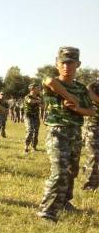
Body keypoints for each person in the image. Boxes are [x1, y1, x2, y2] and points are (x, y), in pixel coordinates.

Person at [37, 47, 95, 222]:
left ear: (78, 64)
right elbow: (49, 81)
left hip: (75, 133)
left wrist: (77, 108)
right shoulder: (52, 82)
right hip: (57, 132)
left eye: (71, 63)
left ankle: (63, 202)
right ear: (57, 64)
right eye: (63, 63)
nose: (66, 66)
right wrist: (70, 96)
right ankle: (47, 211)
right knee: (59, 172)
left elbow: (91, 111)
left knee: (71, 171)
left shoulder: (81, 88)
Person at [81, 80, 99, 191]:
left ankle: (86, 168)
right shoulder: (93, 86)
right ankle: (90, 185)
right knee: (94, 156)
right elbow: (90, 94)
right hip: (92, 126)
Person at [23, 83, 43, 153]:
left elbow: (42, 106)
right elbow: (30, 101)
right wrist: (38, 101)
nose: (39, 89)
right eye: (37, 88)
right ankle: (26, 147)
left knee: (36, 132)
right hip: (28, 116)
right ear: (32, 89)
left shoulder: (39, 97)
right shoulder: (27, 96)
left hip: (36, 116)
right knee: (30, 130)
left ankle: (34, 147)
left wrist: (40, 103)